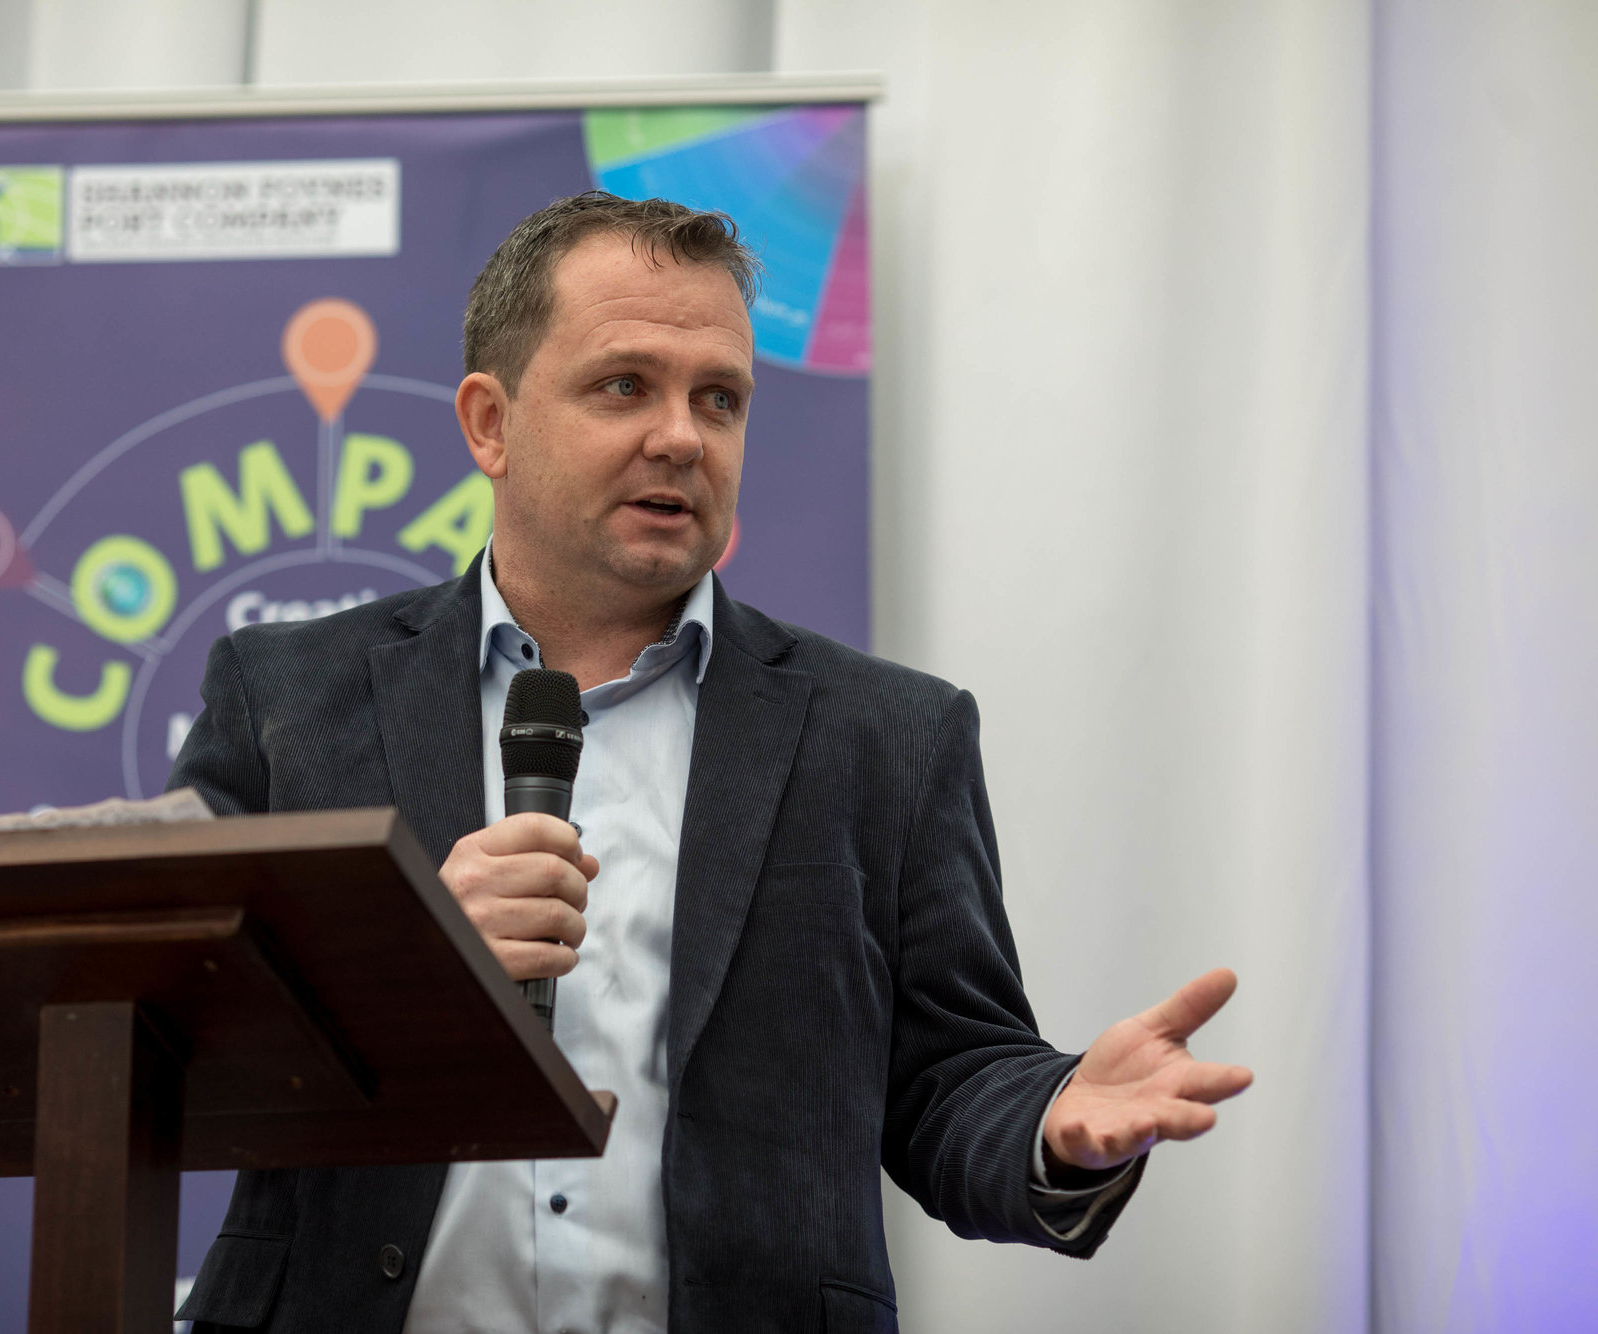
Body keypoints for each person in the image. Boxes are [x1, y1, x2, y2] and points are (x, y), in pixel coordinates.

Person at [171, 192, 1252, 1334]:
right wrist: (397, 964)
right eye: (623, 385)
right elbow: (167, 1036)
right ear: (490, 424)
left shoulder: (888, 733)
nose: (682, 437)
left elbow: (951, 1078)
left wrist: (1049, 1123)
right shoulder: (287, 696)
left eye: (718, 399)